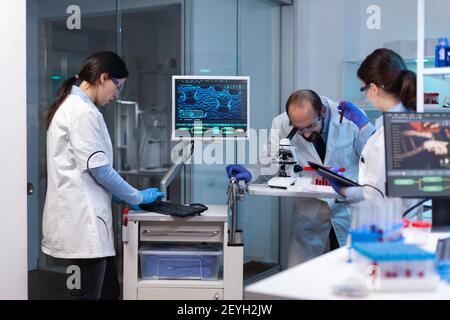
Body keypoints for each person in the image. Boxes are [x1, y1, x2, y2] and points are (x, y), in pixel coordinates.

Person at [42, 51, 165, 300]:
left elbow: (86, 169)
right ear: (103, 77)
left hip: (87, 221)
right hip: (83, 224)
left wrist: (120, 196)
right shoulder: (82, 112)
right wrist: (136, 195)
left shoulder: (75, 106)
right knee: (89, 295)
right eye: (117, 86)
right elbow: (100, 169)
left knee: (108, 292)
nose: (117, 95)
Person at [227, 89, 376, 266]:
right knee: (302, 280)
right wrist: (250, 173)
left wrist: (366, 127)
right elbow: (270, 162)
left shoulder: (348, 119)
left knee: (350, 275)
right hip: (310, 214)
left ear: (322, 112)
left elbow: (373, 158)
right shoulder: (281, 123)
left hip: (349, 211)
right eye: (299, 129)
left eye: (310, 126)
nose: (305, 134)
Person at [328, 48, 417, 201]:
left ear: (374, 88)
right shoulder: (409, 121)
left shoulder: (390, 133)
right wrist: (363, 126)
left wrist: (344, 190)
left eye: (363, 88)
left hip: (390, 218)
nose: (365, 94)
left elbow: (375, 193)